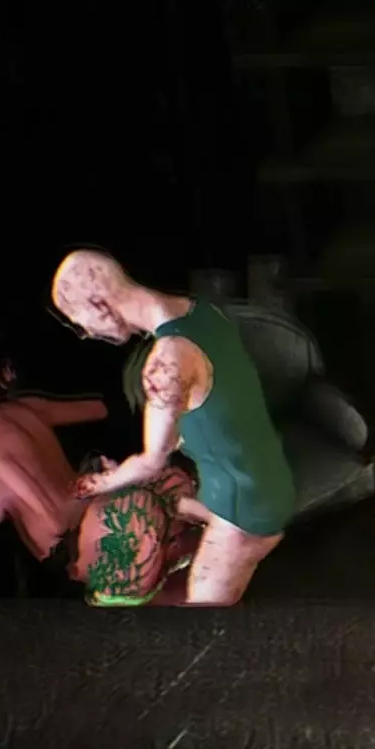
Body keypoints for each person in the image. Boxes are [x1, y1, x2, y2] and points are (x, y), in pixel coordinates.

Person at [51, 249, 297, 605]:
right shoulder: (200, 311)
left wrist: (100, 482)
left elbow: (153, 462)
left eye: (80, 322)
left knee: (202, 614)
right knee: (178, 508)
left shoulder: (166, 363)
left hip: (244, 506)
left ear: (100, 306)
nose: (87, 333)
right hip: (263, 473)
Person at [0, 333, 200, 605]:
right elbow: (100, 409)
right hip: (98, 514)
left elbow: (57, 521)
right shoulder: (25, 408)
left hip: (80, 545)